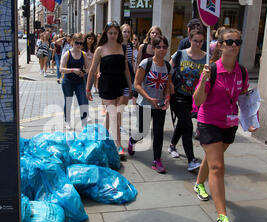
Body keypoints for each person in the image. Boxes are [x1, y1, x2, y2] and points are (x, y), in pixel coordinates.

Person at [193, 28, 257, 222]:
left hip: (229, 124)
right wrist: (203, 81)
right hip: (209, 122)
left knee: (213, 160)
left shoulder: (243, 72)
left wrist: (250, 122)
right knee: (218, 167)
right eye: (230, 42)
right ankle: (222, 217)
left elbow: (245, 100)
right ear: (220, 45)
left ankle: (198, 184)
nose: (235, 45)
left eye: (238, 41)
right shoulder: (211, 70)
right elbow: (197, 101)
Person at [86, 21, 132, 159]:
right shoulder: (100, 49)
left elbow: (126, 69)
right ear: (106, 33)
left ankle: (103, 141)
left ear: (118, 34)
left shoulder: (122, 48)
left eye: (115, 33)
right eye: (110, 33)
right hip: (106, 84)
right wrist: (87, 88)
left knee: (112, 115)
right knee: (113, 113)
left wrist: (130, 86)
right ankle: (118, 144)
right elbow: (93, 69)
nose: (113, 35)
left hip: (120, 83)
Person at [128, 36, 173, 173]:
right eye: (158, 47)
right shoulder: (145, 64)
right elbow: (136, 84)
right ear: (153, 48)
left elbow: (166, 86)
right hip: (145, 104)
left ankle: (157, 160)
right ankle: (132, 140)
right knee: (143, 131)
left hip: (159, 105)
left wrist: (167, 97)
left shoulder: (168, 66)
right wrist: (149, 98)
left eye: (164, 47)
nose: (161, 50)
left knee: (158, 132)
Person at [168, 29, 206, 172]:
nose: (198, 44)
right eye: (195, 40)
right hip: (178, 96)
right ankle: (191, 160)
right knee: (188, 126)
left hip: (194, 98)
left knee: (183, 122)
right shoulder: (179, 55)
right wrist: (170, 85)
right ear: (189, 40)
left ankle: (172, 145)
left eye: (201, 41)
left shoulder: (206, 58)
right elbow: (168, 71)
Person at [60, 33, 89, 130]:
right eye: (77, 43)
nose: (79, 45)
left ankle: (84, 123)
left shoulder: (83, 54)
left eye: (81, 43)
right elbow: (61, 69)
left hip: (80, 81)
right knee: (68, 101)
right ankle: (67, 121)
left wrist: (84, 72)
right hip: (68, 81)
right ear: (72, 42)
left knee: (83, 101)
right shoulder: (67, 54)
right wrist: (73, 70)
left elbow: (88, 68)